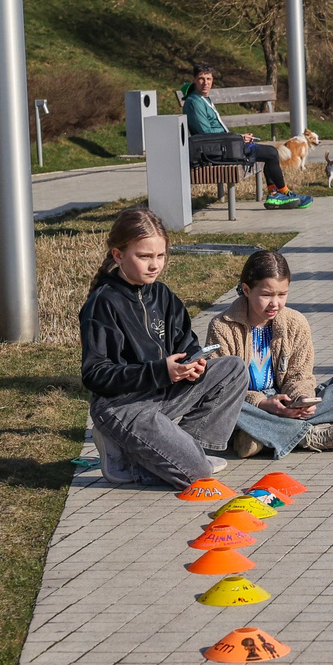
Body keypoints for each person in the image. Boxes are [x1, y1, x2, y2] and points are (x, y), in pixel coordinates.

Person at [79, 207, 245, 487]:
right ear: (118, 255)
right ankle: (127, 464)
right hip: (122, 405)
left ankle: (190, 450)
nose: (154, 264)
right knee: (198, 475)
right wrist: (160, 371)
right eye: (144, 256)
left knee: (233, 368)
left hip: (163, 392)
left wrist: (195, 365)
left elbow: (186, 343)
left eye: (160, 255)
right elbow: (95, 375)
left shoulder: (163, 295)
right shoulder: (103, 303)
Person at [209, 248, 333, 456]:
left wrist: (301, 398)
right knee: (220, 406)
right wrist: (264, 404)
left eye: (282, 294)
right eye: (266, 295)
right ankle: (307, 436)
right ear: (247, 290)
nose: (275, 303)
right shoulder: (222, 326)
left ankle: (260, 435)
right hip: (247, 404)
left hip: (284, 401)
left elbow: (299, 374)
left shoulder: (295, 322)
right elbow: (220, 388)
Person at [183, 68, 296, 203]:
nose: (205, 83)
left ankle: (274, 193)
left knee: (269, 152)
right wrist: (237, 138)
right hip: (216, 151)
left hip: (222, 146)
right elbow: (206, 134)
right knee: (271, 153)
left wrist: (238, 137)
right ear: (194, 79)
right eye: (201, 78)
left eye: (209, 79)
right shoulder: (195, 102)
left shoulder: (203, 99)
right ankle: (284, 193)